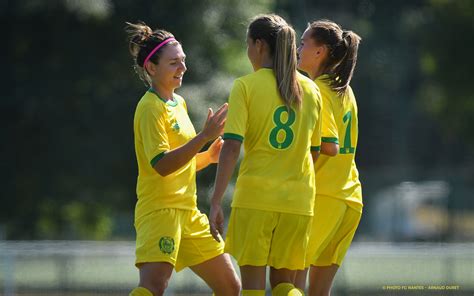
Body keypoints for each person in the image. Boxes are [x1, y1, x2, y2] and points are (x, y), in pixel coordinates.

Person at [209, 14, 323, 296]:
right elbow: (316, 151)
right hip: (299, 201)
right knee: (285, 285)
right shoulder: (311, 89)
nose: (248, 52)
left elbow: (232, 146)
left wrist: (215, 201)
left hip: (256, 199)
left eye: (248, 44)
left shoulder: (246, 86)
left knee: (253, 289)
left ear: (259, 45)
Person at [125, 22, 240, 296]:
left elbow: (180, 163)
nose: (183, 68)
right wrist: (203, 137)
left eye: (183, 61)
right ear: (152, 68)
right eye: (174, 63)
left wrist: (207, 157)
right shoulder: (149, 107)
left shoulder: (179, 103)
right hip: (160, 212)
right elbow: (162, 165)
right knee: (153, 287)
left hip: (188, 213)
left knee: (230, 287)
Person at [294, 20, 363, 296]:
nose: (298, 48)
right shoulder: (343, 88)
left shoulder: (318, 89)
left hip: (324, 197)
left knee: (291, 280)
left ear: (320, 51)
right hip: (349, 198)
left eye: (303, 43)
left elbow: (329, 146)